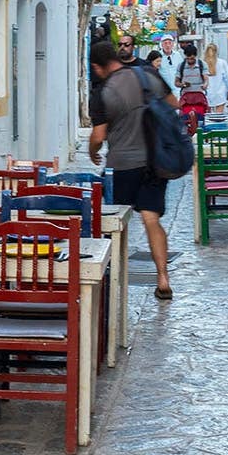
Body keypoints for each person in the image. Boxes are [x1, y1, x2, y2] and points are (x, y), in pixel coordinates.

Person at [88, 41, 177, 301]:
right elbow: (174, 103)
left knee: (118, 224)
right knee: (151, 218)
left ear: (97, 66)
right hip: (154, 160)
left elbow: (99, 134)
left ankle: (115, 279)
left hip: (122, 164)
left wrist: (93, 151)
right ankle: (162, 277)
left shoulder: (103, 91)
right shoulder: (147, 74)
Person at [203, 43, 228, 114]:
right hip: (220, 94)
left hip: (206, 94)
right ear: (216, 52)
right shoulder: (222, 63)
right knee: (219, 117)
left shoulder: (203, 63)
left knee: (208, 117)